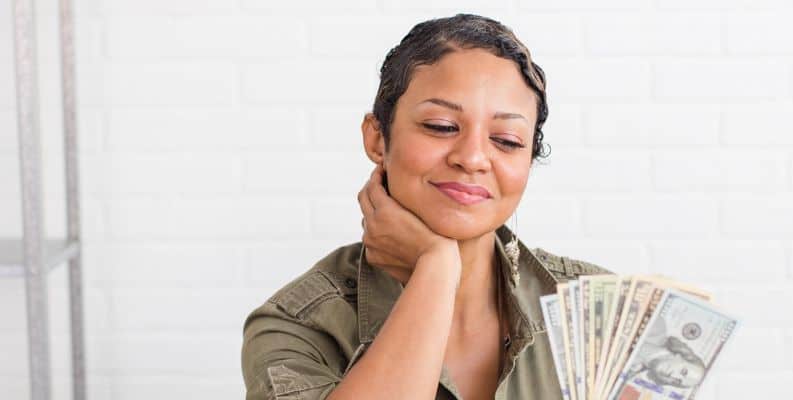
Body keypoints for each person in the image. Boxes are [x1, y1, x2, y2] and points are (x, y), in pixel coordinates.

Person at [241, 13, 613, 400]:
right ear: (377, 140)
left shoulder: (601, 313)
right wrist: (436, 268)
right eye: (440, 126)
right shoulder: (298, 327)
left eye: (506, 140)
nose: (472, 158)